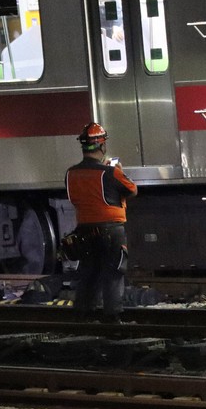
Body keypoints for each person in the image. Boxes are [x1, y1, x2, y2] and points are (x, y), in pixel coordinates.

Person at [65, 122, 137, 323]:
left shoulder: (71, 174)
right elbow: (132, 190)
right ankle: (112, 316)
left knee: (88, 270)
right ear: (102, 146)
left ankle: (84, 314)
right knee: (114, 271)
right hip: (111, 229)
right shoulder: (110, 172)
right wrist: (119, 170)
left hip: (84, 230)